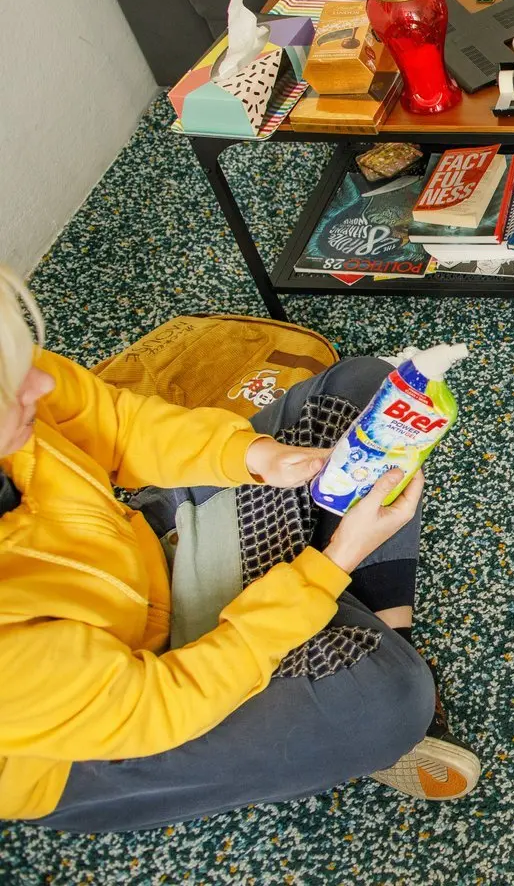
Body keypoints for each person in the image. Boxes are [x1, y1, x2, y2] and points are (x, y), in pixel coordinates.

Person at [0, 270, 481, 833]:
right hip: (113, 724)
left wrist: (255, 455)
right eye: (8, 391)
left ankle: (375, 643)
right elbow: (161, 702)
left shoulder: (21, 382)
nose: (36, 385)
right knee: (392, 700)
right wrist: (328, 569)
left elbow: (114, 423)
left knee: (370, 392)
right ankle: (368, 668)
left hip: (144, 566)